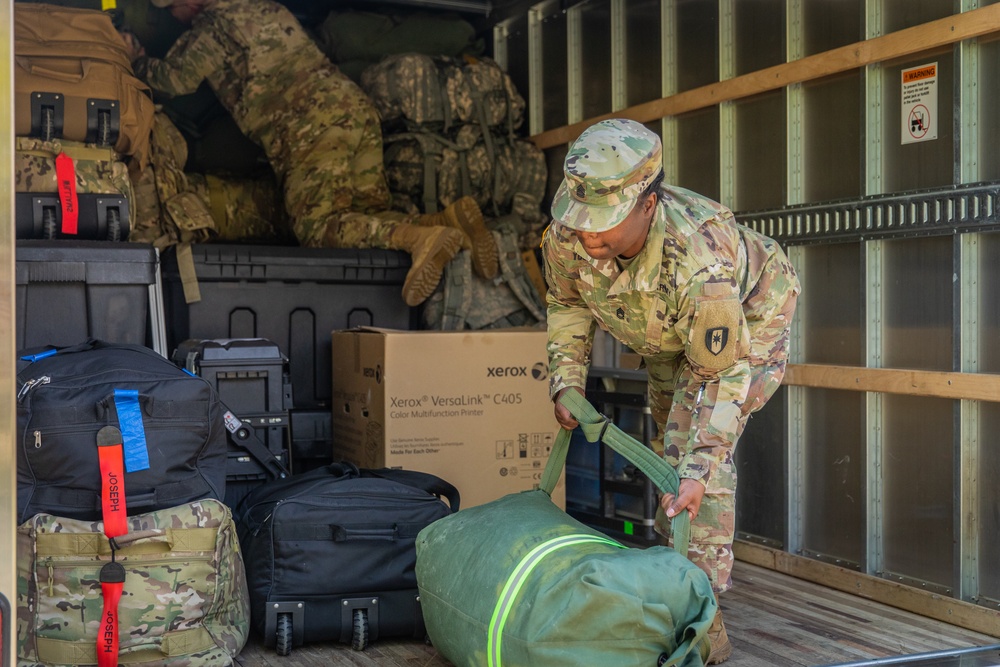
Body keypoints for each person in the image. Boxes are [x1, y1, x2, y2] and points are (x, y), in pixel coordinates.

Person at [543, 118, 800, 664]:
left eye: (605, 223)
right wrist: (566, 380)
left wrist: (700, 468)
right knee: (668, 448)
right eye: (581, 218)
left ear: (648, 204)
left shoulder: (699, 258)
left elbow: (721, 377)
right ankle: (673, 570)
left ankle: (699, 617)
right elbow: (565, 302)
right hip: (666, 332)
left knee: (691, 459)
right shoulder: (568, 234)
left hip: (748, 321)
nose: (589, 235)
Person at [122, 0, 499, 306]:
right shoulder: (266, 7)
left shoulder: (212, 27)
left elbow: (174, 79)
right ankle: (444, 223)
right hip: (354, 109)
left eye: (172, 9)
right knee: (363, 215)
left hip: (309, 129)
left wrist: (134, 59)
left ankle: (418, 240)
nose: (175, 16)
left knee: (317, 229)